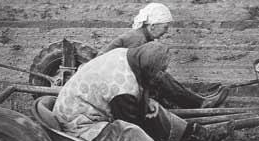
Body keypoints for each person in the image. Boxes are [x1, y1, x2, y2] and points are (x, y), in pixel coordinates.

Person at [53, 42, 233, 141]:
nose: (159, 76)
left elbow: (139, 91)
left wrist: (147, 102)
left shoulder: (125, 55)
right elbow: (133, 122)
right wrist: (146, 108)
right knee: (131, 134)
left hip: (84, 107)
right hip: (77, 124)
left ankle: (203, 136)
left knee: (153, 108)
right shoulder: (123, 87)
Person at [97, 2, 229, 109]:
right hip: (108, 81)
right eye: (165, 27)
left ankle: (199, 100)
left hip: (114, 77)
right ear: (153, 26)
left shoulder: (141, 36)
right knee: (160, 77)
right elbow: (136, 73)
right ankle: (198, 103)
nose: (166, 32)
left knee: (161, 76)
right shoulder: (137, 39)